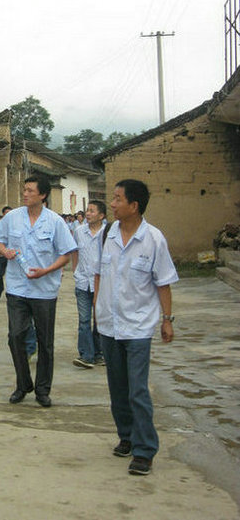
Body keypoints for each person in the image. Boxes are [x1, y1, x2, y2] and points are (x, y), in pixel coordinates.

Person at [94, 179, 177, 476]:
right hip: (109, 324)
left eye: (118, 199)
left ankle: (144, 450)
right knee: (118, 389)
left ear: (134, 205)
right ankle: (127, 436)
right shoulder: (107, 234)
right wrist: (96, 311)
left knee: (137, 391)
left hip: (138, 327)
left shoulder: (153, 239)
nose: (112, 204)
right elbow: (98, 274)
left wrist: (167, 319)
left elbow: (163, 282)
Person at [0, 175, 77, 407]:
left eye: (30, 190)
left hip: (44, 290)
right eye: (24, 190)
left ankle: (42, 390)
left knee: (45, 342)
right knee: (15, 337)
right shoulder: (12, 217)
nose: (25, 194)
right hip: (17, 287)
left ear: (43, 195)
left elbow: (66, 254)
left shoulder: (55, 221)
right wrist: (5, 251)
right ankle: (23, 384)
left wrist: (46, 270)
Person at [71, 200, 107, 369]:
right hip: (83, 282)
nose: (88, 213)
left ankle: (99, 354)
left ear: (101, 215)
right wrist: (75, 270)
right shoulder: (79, 231)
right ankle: (86, 355)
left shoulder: (108, 233)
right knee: (84, 320)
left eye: (92, 211)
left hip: (102, 284)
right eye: (87, 210)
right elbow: (75, 252)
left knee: (99, 320)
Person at [0, 205, 12, 299]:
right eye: (6, 213)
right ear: (3, 214)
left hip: (12, 254)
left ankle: (11, 292)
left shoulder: (17, 224)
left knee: (12, 274)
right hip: (0, 254)